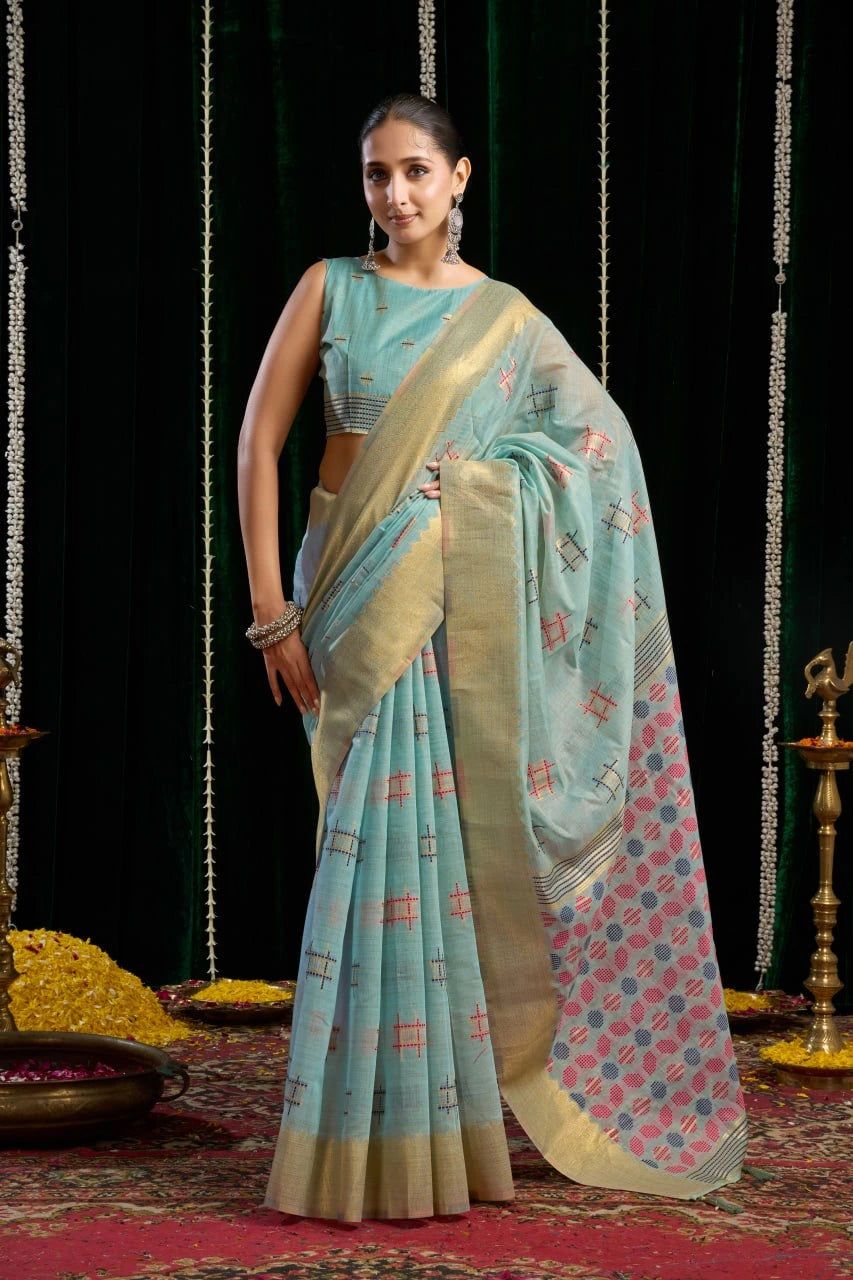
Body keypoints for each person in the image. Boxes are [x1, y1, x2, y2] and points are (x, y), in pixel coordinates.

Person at [237, 93, 746, 1223]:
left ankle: (435, 1138)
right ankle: (356, 1129)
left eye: (416, 171)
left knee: (417, 852)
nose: (395, 195)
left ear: (460, 179)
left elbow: (596, 453)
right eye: (376, 174)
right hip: (348, 590)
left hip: (450, 600)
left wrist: (483, 491)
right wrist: (272, 608)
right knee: (362, 848)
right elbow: (260, 440)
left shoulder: (504, 318)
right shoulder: (333, 287)